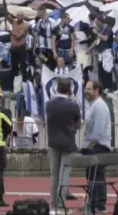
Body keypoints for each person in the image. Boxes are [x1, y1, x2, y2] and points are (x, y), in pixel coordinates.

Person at [46, 76, 81, 211]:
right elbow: (78, 123)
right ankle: (61, 204)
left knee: (54, 175)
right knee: (64, 174)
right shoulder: (73, 105)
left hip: (53, 142)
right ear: (70, 90)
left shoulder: (49, 104)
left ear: (57, 88)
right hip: (68, 142)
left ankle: (53, 204)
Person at [82, 79, 112, 214]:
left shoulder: (100, 106)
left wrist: (91, 145)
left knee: (96, 176)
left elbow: (98, 129)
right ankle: (94, 203)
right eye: (86, 88)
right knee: (93, 176)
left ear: (96, 90)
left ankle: (99, 205)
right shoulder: (94, 105)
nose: (86, 91)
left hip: (98, 146)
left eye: (89, 89)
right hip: (94, 145)